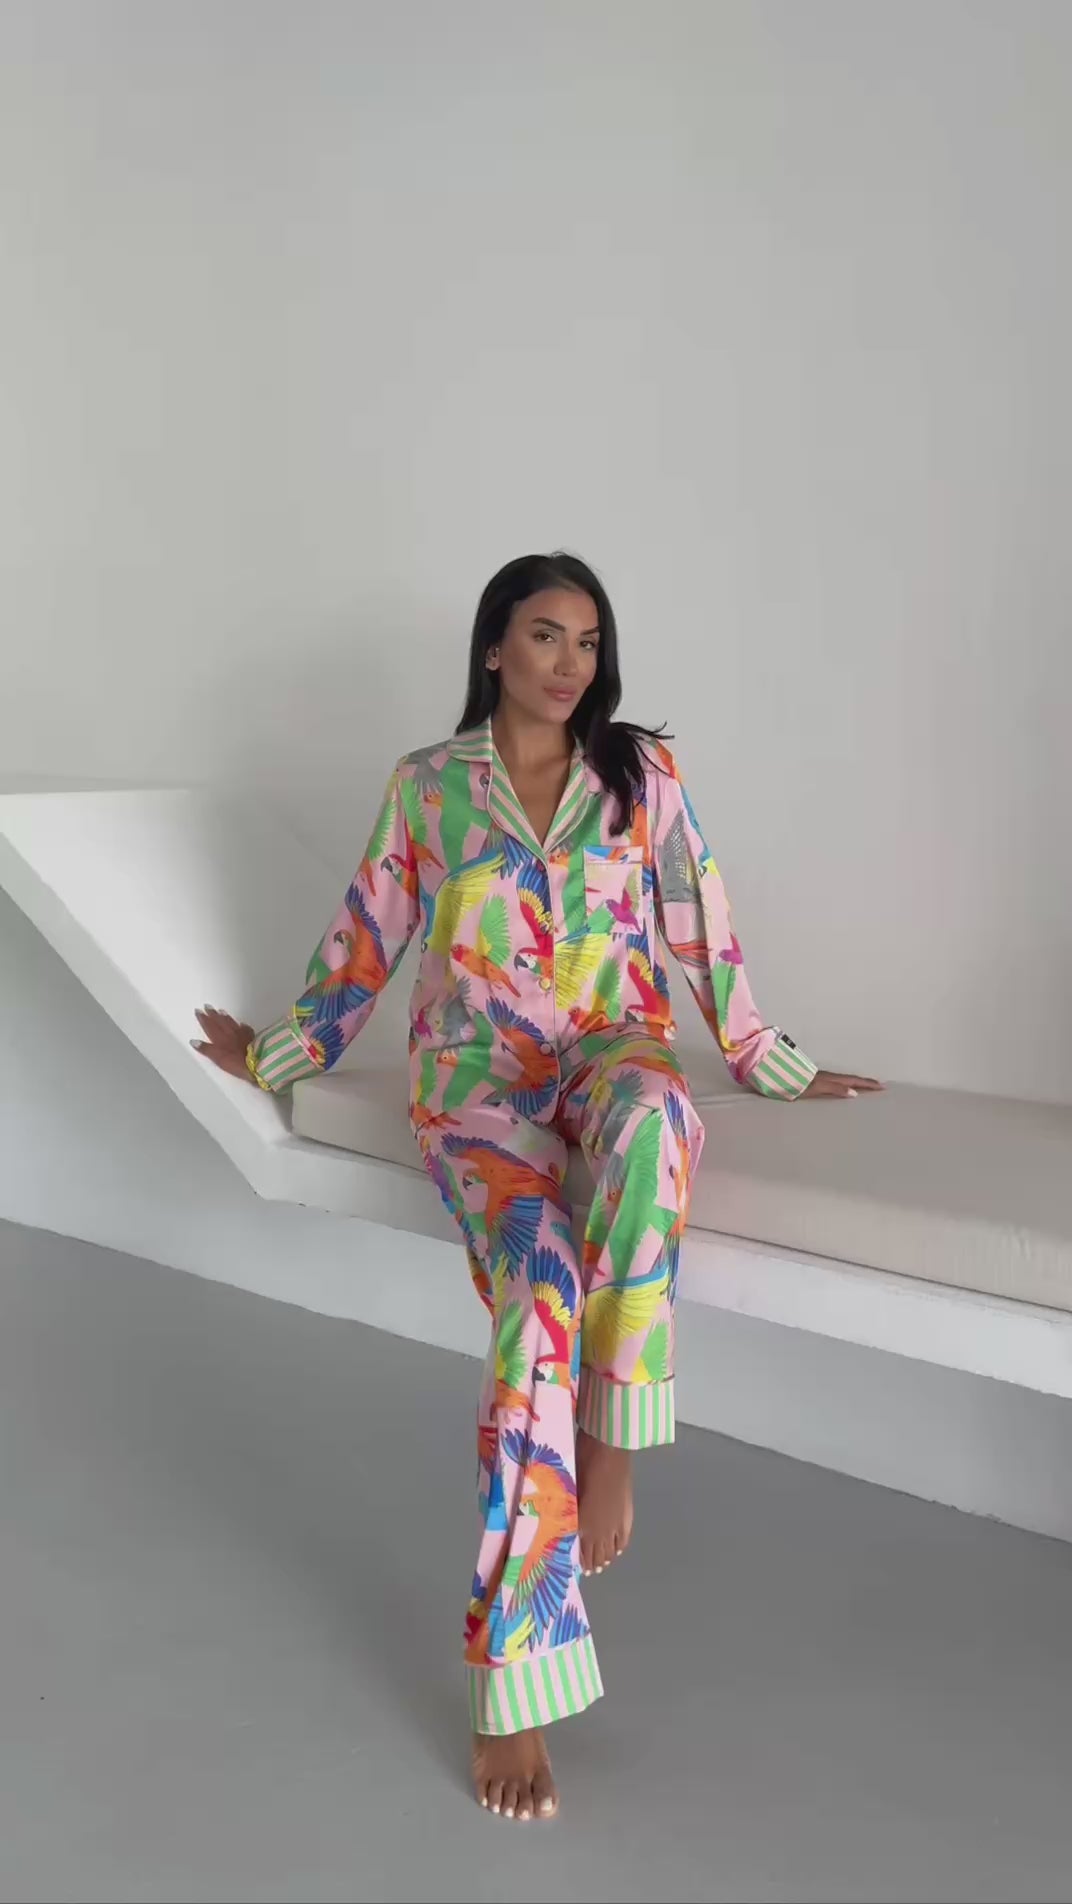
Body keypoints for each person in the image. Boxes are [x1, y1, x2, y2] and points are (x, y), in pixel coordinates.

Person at [193, 552, 881, 1823]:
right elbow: (366, 935)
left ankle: (611, 1437)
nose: (570, 662)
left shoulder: (640, 774)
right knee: (541, 1284)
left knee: (655, 1118)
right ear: (495, 648)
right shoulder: (427, 788)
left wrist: (764, 1057)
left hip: (609, 1047)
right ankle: (512, 1684)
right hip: (477, 1083)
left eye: (588, 640)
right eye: (546, 634)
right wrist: (279, 1051)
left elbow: (698, 919)